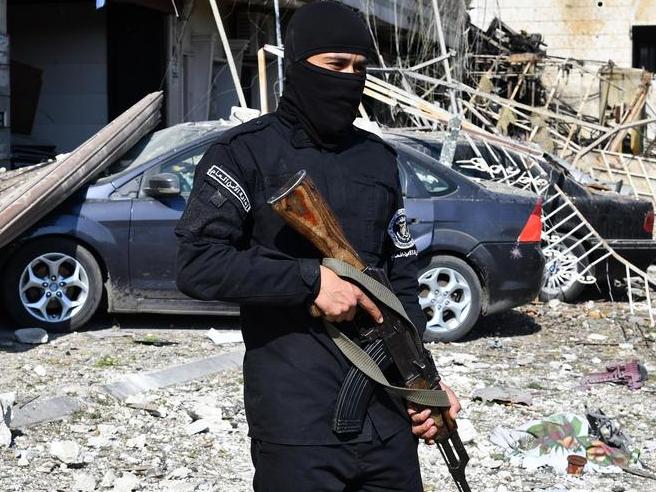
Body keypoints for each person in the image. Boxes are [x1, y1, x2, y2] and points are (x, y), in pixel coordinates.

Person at [175, 2, 460, 490]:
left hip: (387, 419)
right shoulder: (245, 153)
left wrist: (425, 383)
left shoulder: (377, 159)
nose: (348, 79)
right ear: (297, 66)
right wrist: (310, 283)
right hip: (297, 423)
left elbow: (401, 282)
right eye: (335, 65)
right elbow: (197, 263)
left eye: (359, 68)